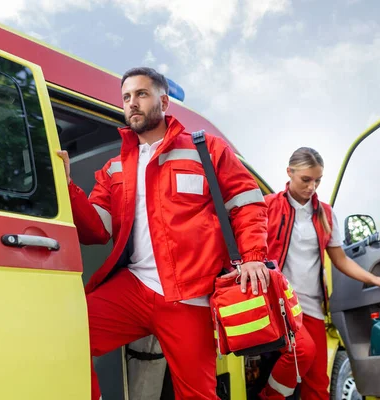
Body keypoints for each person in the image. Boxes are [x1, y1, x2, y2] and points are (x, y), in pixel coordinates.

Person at [57, 67, 270, 400]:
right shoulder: (114, 167)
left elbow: (247, 203)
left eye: (142, 94)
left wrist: (254, 257)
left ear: (164, 101)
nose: (133, 103)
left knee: (197, 394)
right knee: (67, 337)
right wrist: (67, 185)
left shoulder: (207, 149)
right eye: (127, 97)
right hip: (134, 288)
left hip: (190, 296)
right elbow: (96, 230)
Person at [258, 147, 380, 400]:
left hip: (312, 305)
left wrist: (375, 279)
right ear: (289, 172)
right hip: (280, 302)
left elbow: (340, 259)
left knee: (318, 382)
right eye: (306, 179)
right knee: (302, 351)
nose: (312, 187)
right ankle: (269, 397)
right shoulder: (267, 207)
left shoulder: (325, 214)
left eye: (317, 181)